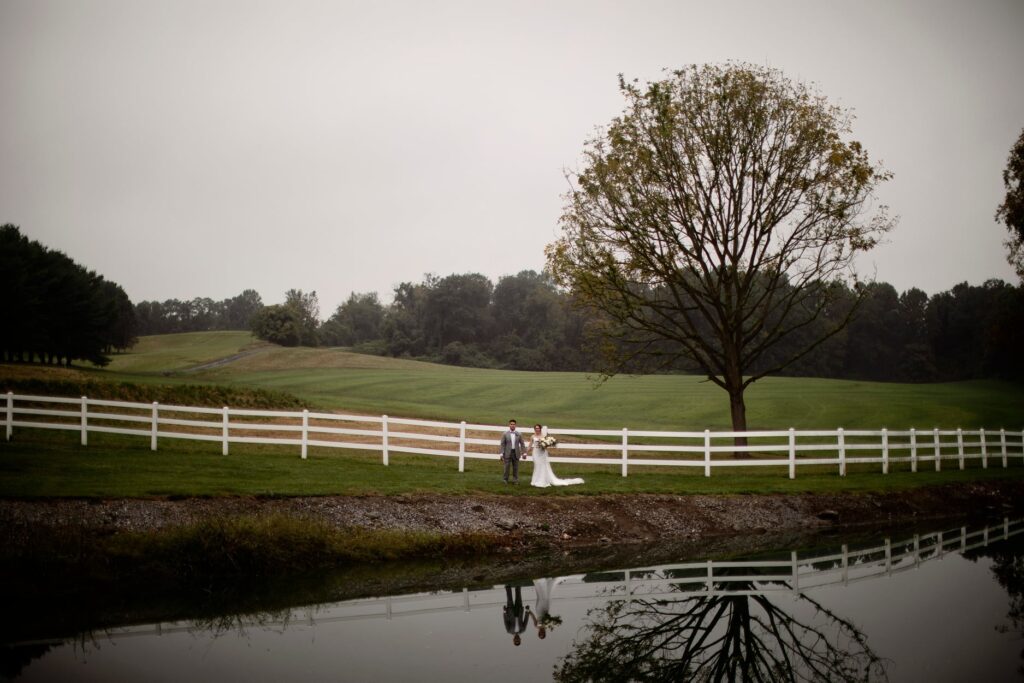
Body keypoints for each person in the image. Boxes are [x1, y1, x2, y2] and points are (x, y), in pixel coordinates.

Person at [498, 418, 527, 485]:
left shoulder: (519, 434)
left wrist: (524, 453)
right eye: (511, 424)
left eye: (514, 424)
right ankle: (505, 479)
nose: (512, 425)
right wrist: (501, 453)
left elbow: (522, 444)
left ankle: (515, 480)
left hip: (516, 453)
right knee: (506, 467)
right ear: (509, 425)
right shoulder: (505, 434)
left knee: (516, 467)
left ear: (515, 425)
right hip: (507, 453)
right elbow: (502, 444)